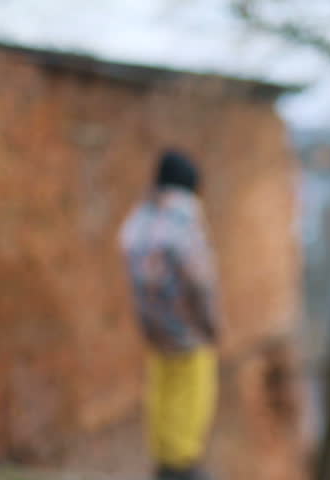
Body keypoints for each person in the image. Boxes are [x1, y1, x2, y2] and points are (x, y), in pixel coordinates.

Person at [120, 150, 220, 480]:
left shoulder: (140, 217)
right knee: (192, 394)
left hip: (154, 327)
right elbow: (198, 278)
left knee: (160, 393)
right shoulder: (184, 215)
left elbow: (130, 261)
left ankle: (165, 461)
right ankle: (183, 465)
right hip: (187, 327)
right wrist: (210, 322)